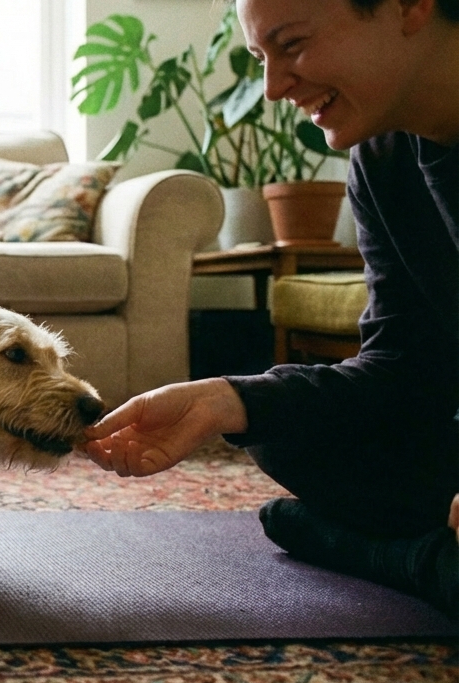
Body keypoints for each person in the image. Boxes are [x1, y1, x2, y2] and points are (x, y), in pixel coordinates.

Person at [81, 0, 459, 616]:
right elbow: (406, 370)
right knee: (279, 430)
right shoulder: (384, 159)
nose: (272, 88)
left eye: (292, 44)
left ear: (410, 5)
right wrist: (225, 399)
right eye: (261, 57)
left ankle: (389, 556)